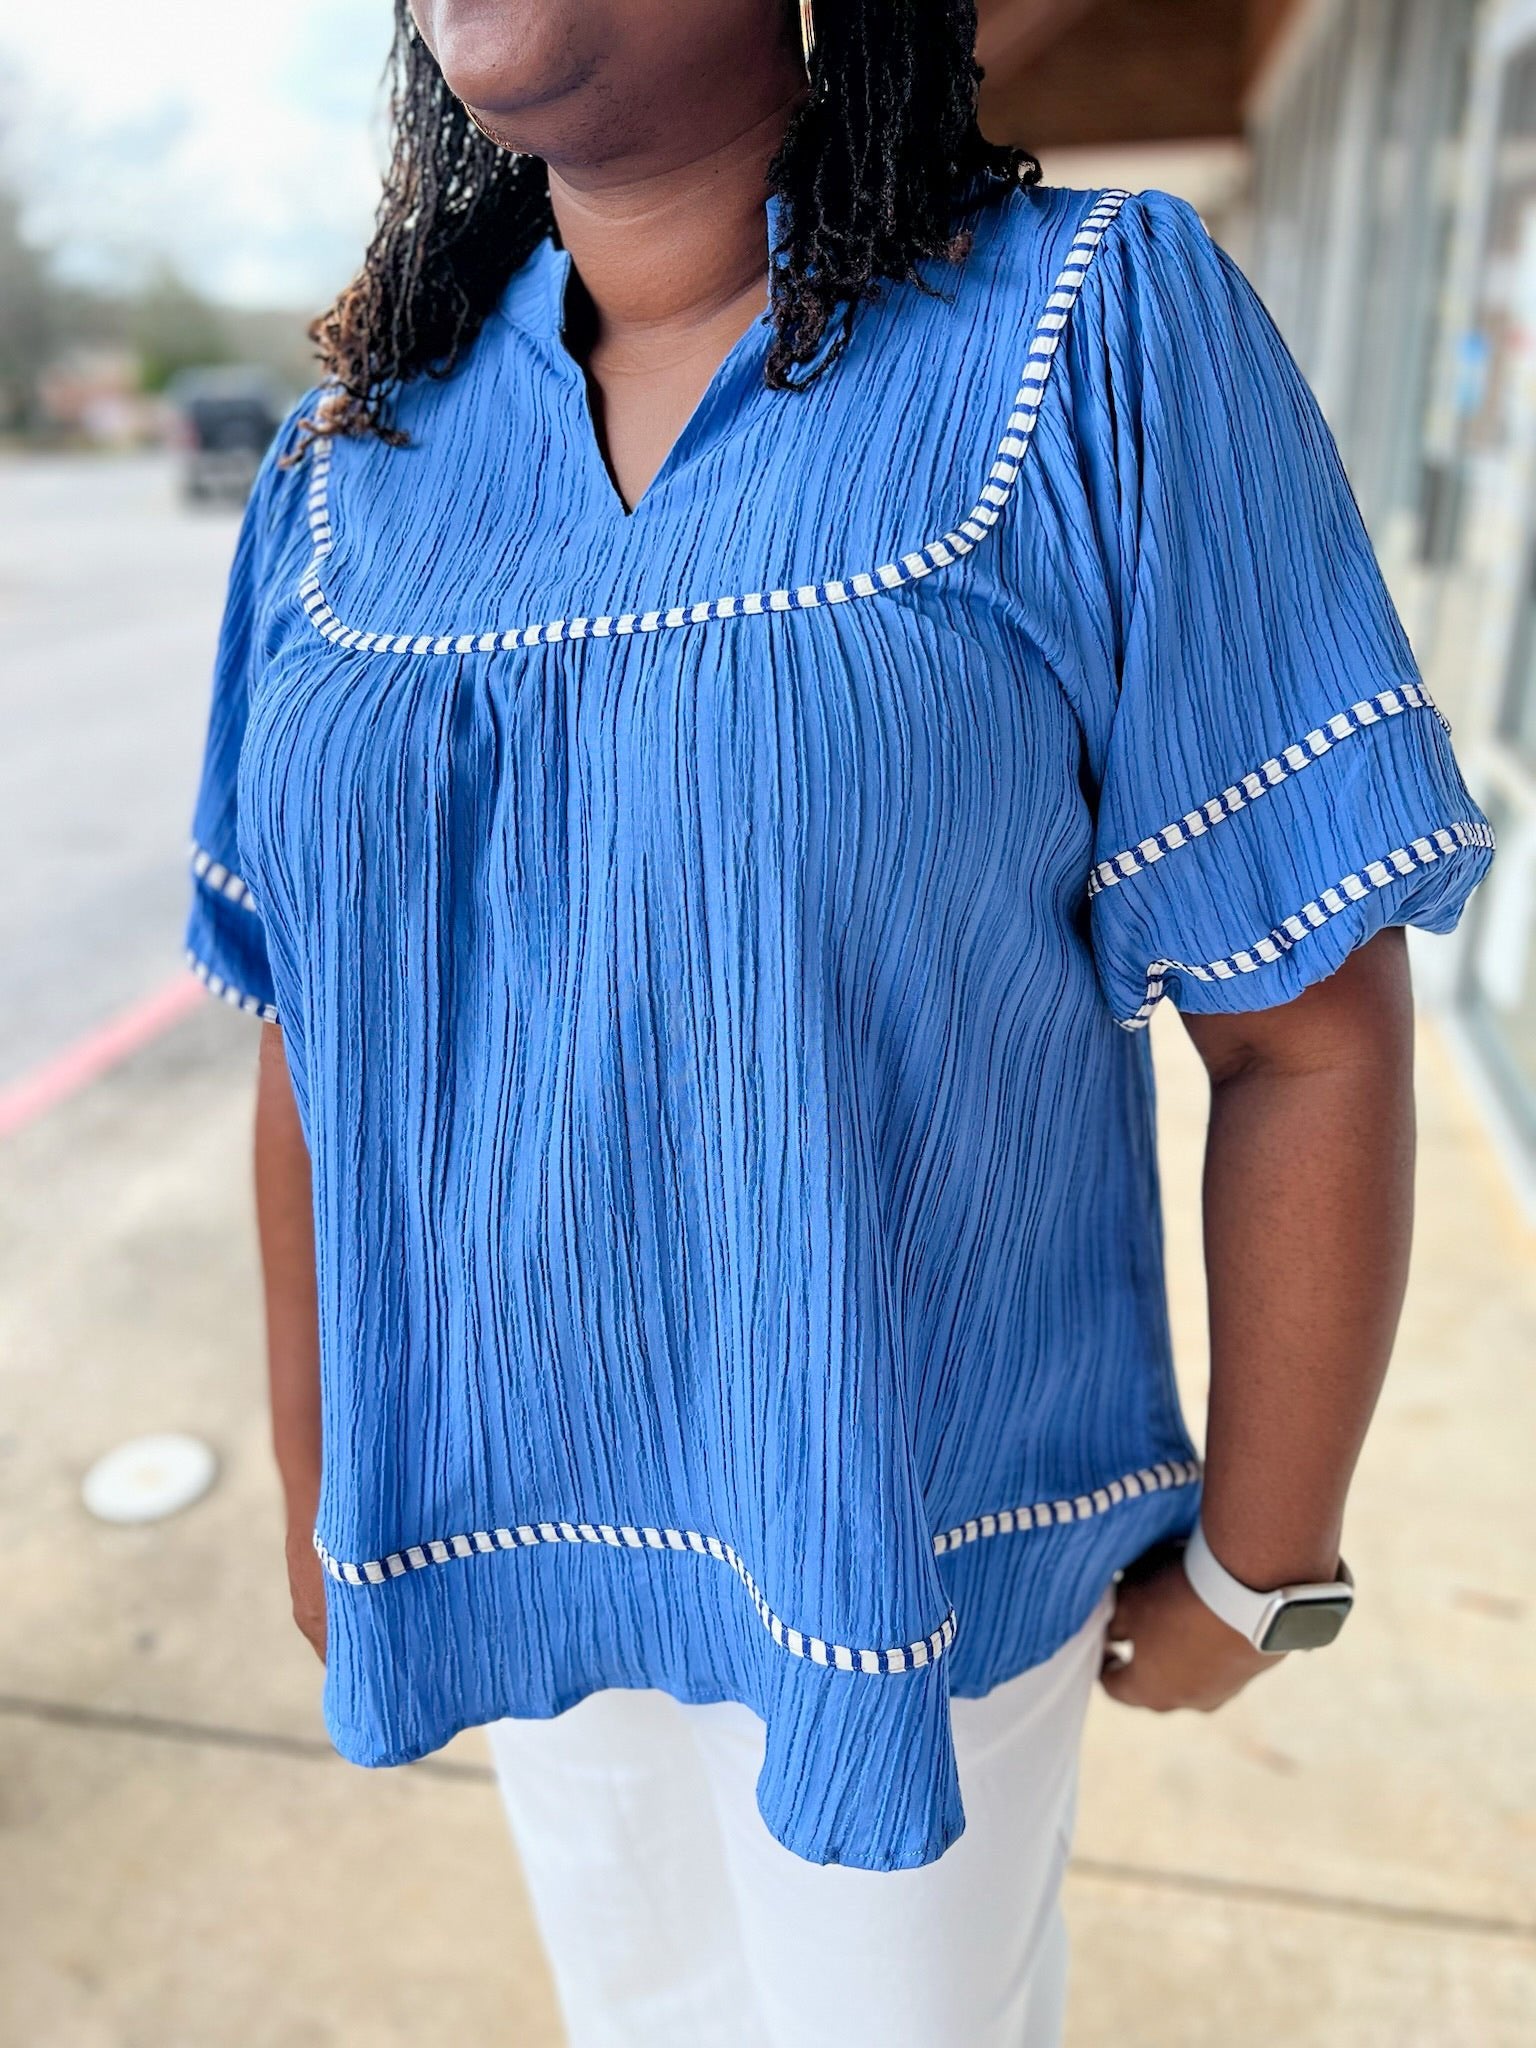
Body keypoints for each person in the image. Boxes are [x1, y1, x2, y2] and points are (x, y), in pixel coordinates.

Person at [182, 2, 1494, 2042]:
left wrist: (1263, 1563)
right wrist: (325, 1475)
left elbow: (1304, 1016)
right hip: (505, 1528)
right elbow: (311, 1026)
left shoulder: (1082, 334)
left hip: (908, 1553)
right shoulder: (351, 464)